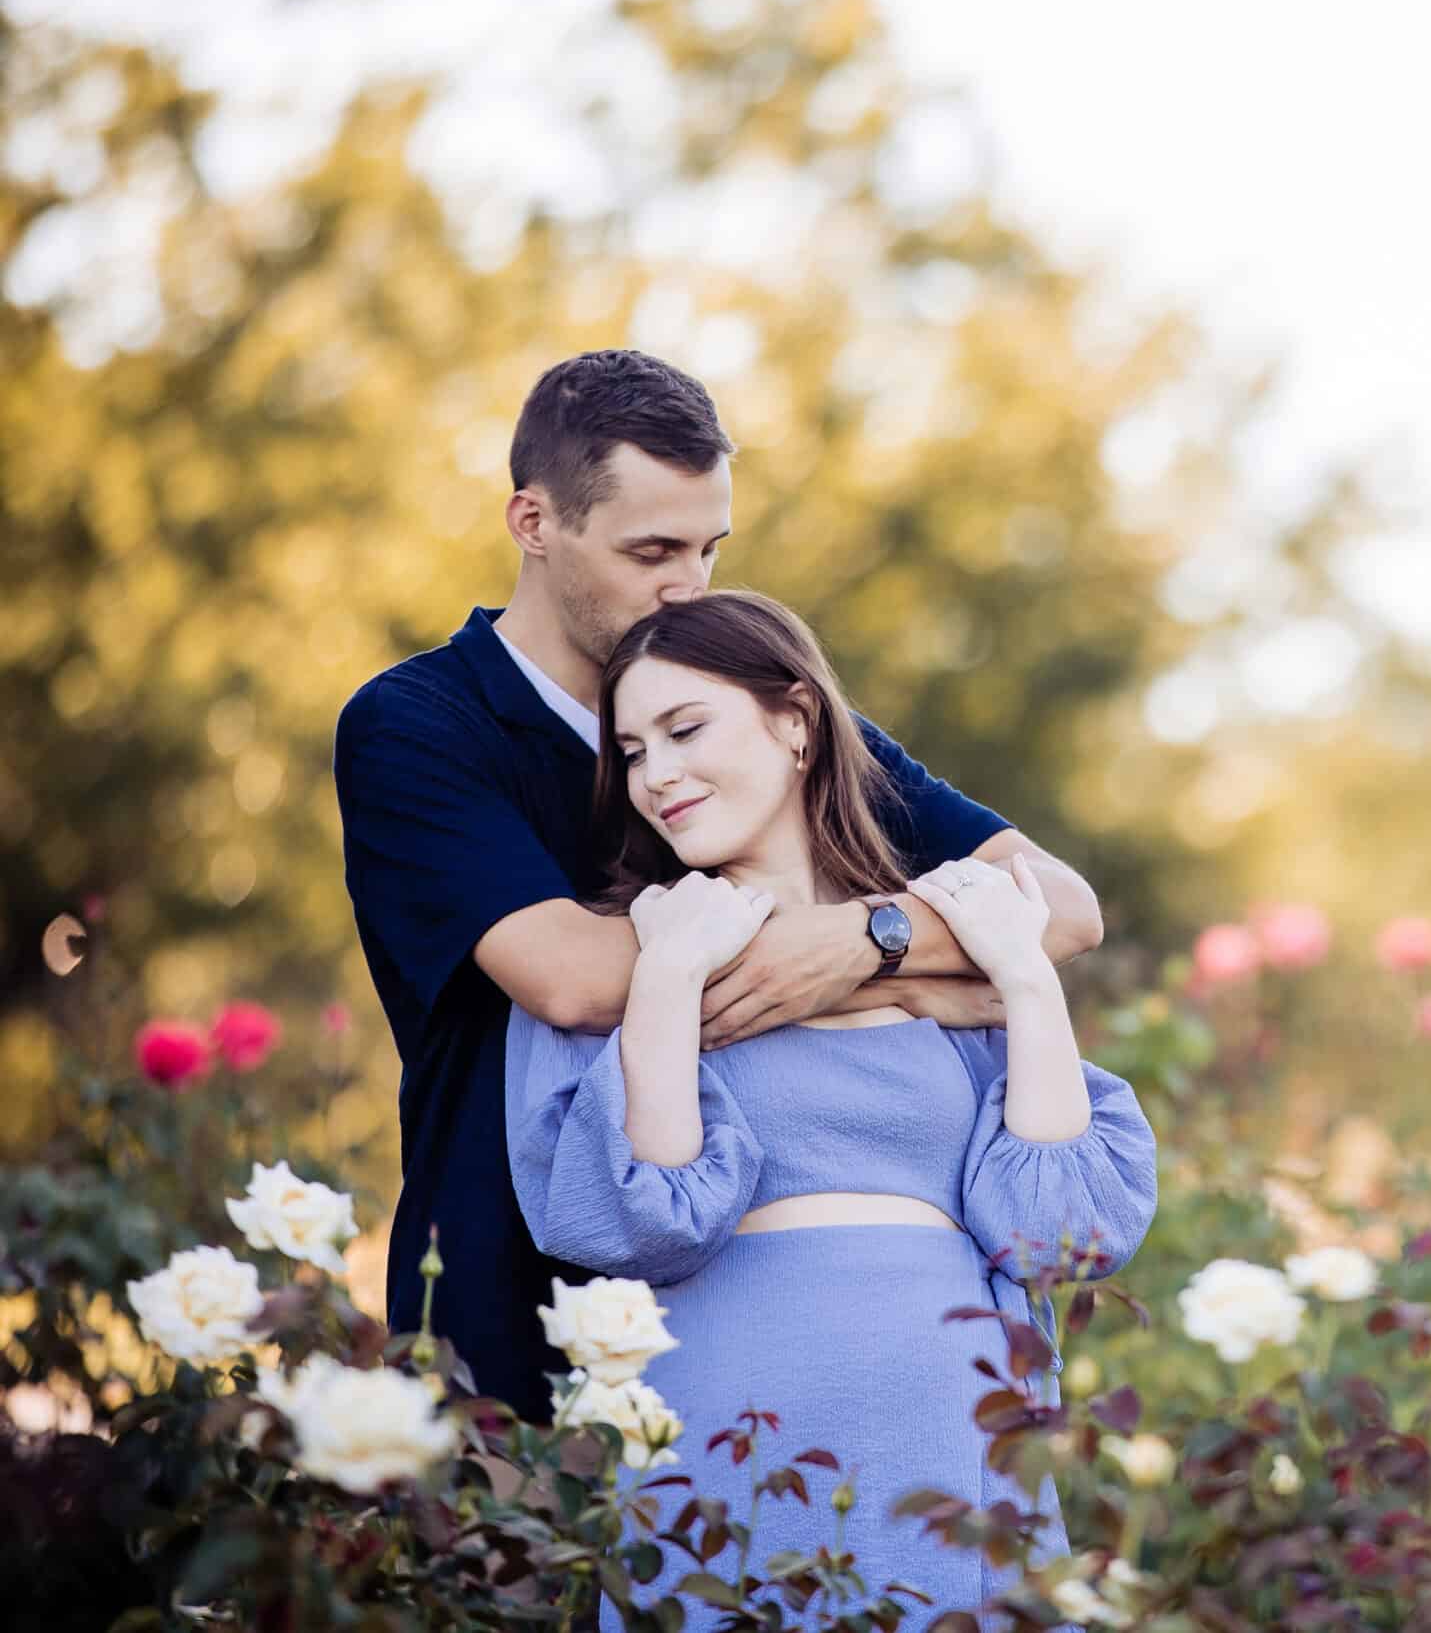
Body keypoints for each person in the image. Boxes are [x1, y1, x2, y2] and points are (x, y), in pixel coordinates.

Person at [333, 349, 1105, 1419]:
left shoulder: (752, 707)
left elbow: (1061, 909)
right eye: (651, 550)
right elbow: (573, 980)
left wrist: (866, 940)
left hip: (752, 1333)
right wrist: (929, 980)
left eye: (708, 547)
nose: (687, 585)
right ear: (534, 522)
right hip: (508, 1316)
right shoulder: (419, 724)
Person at [506, 589, 1157, 1628]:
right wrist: (668, 977)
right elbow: (640, 1221)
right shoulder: (628, 952)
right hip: (727, 1417)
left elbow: (1060, 1234)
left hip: (953, 1426)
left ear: (797, 721)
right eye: (630, 752)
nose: (656, 774)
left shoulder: (953, 944)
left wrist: (1027, 983)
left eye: (684, 729)